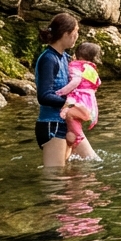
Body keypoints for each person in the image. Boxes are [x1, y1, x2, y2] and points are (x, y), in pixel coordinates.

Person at [34, 12, 97, 167]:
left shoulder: (65, 58)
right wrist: (71, 104)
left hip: (66, 124)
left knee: (91, 166)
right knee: (55, 180)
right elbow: (44, 96)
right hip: (51, 125)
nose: (77, 36)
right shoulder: (49, 59)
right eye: (76, 32)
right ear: (66, 34)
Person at [57, 41, 102, 156]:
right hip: (90, 105)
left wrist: (61, 92)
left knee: (69, 115)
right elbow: (97, 84)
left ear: (77, 55)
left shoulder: (76, 65)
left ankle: (77, 141)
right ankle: (72, 149)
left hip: (79, 102)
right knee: (73, 123)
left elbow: (75, 81)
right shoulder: (91, 69)